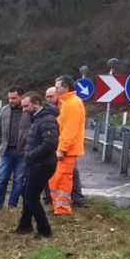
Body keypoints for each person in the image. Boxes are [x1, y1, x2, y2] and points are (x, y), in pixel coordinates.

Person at [15, 92, 59, 238]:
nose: (24, 109)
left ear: (36, 104)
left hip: (42, 165)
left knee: (31, 198)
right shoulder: (37, 118)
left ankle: (45, 231)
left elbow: (50, 144)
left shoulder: (47, 119)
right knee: (27, 193)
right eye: (22, 106)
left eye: (26, 106)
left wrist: (31, 155)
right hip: (36, 164)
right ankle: (25, 225)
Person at [48, 75, 86, 215]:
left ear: (66, 87)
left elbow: (69, 129)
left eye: (57, 87)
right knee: (56, 178)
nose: (55, 90)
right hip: (62, 149)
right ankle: (58, 206)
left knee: (62, 179)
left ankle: (62, 209)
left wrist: (62, 149)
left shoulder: (72, 104)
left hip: (66, 150)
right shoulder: (67, 103)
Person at [0, 86, 31, 214]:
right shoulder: (4, 110)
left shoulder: (28, 112)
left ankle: (12, 205)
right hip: (6, 151)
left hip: (22, 152)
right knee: (1, 179)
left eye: (14, 98)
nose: (11, 100)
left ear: (22, 96)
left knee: (19, 180)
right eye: (9, 98)